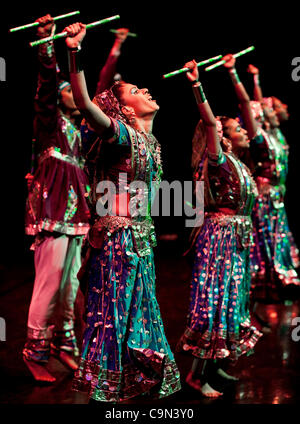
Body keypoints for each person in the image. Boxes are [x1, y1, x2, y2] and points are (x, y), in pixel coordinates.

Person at [62, 22, 181, 403]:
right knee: (113, 314)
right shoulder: (121, 134)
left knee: (137, 315)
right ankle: (106, 393)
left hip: (140, 237)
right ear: (125, 108)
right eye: (135, 90)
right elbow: (84, 103)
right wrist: (74, 52)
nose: (144, 90)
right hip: (119, 238)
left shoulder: (149, 140)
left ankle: (128, 387)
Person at [176, 59, 262, 398]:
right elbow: (211, 125)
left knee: (231, 304)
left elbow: (252, 124)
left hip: (236, 240)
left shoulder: (240, 164)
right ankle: (197, 377)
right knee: (213, 304)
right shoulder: (219, 161)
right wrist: (197, 84)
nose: (243, 131)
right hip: (219, 241)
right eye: (235, 129)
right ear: (223, 138)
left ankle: (214, 365)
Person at [23, 15, 90, 382]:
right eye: (69, 91)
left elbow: (86, 93)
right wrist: (47, 42)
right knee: (49, 282)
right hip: (52, 209)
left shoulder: (79, 131)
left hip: (76, 210)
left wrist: (80, 48)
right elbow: (47, 83)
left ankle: (65, 345)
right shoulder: (49, 122)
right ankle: (35, 352)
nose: (74, 96)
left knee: (71, 285)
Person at [229, 62, 300, 306]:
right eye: (269, 107)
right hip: (264, 196)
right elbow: (249, 105)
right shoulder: (259, 138)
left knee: (278, 238)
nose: (275, 108)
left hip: (277, 196)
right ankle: (267, 286)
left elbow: (257, 104)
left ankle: (281, 281)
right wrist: (233, 73)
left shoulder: (276, 134)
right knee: (266, 241)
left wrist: (257, 79)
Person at [95, 28, 129, 95]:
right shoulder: (105, 89)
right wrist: (119, 41)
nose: (121, 83)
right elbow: (111, 62)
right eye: (118, 81)